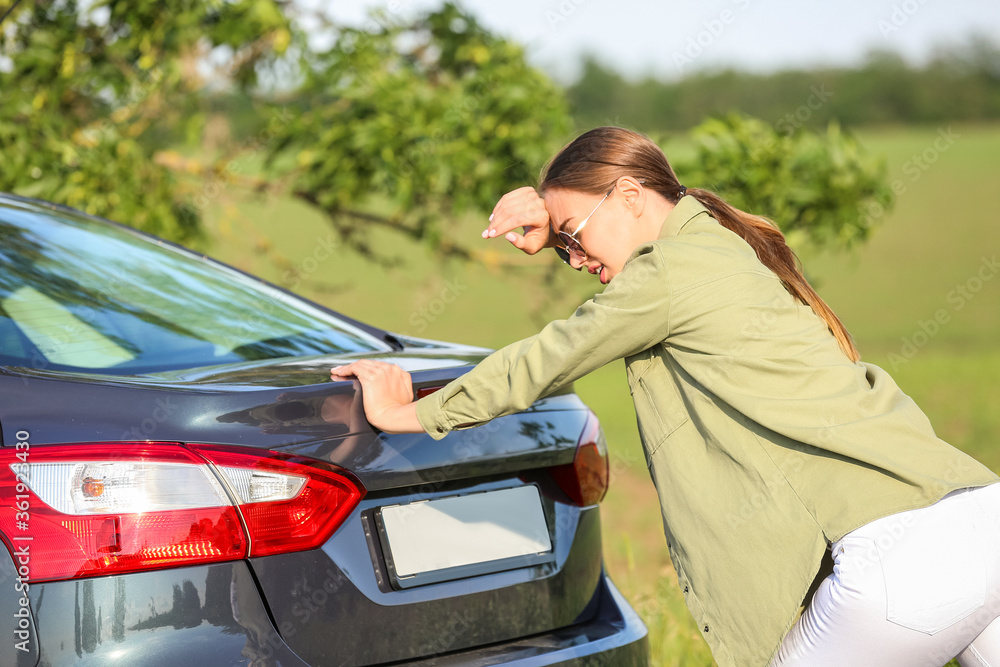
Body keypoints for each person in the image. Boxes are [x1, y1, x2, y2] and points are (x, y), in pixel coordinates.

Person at [329, 126, 1000, 667]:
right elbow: (649, 195)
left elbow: (550, 355)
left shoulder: (666, 276)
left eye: (573, 236)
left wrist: (412, 411)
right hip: (974, 520)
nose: (574, 259)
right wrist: (555, 207)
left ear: (628, 195)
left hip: (901, 552)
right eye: (561, 246)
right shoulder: (710, 240)